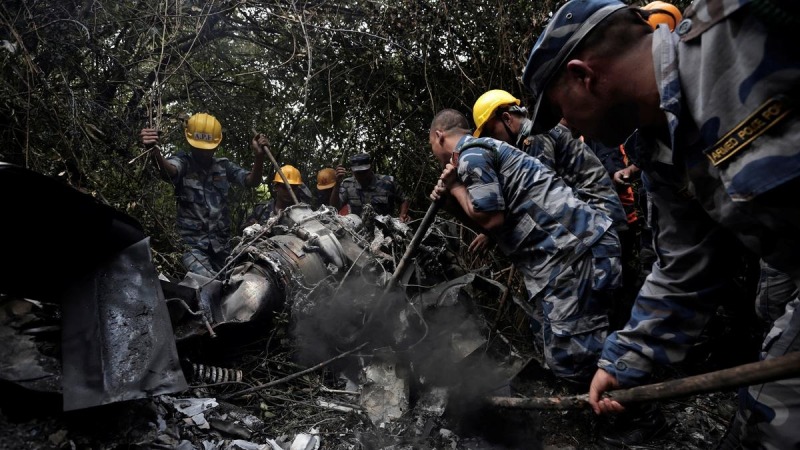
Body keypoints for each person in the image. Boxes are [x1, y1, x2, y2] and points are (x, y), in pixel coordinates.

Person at [522, 0, 800, 447]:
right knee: (764, 424)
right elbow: (687, 266)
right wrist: (622, 362)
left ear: (582, 76)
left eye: (559, 111)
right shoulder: (661, 157)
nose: (567, 126)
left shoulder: (742, 22)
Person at [428, 108, 621, 385]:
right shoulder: (482, 152)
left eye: (432, 146)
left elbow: (492, 219)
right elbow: (486, 219)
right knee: (564, 350)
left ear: (439, 136)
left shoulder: (471, 156)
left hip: (573, 252)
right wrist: (449, 198)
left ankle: (638, 420)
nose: (434, 153)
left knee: (576, 360)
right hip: (569, 254)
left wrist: (456, 187)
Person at [472, 90, 626, 232]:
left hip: (601, 217)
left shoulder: (534, 136)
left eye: (492, 132)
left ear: (507, 118)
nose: (492, 140)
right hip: (595, 217)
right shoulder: (528, 139)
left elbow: (539, 194)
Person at [140, 113, 266, 278]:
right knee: (209, 281)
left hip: (222, 247)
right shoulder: (184, 162)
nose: (205, 154)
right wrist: (155, 153)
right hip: (192, 247)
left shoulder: (223, 166)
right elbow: (169, 171)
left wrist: (259, 157)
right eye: (199, 148)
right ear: (190, 142)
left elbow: (251, 181)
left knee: (240, 279)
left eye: (209, 149)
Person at [332, 152, 410, 222]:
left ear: (370, 168)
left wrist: (403, 215)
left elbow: (404, 199)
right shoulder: (347, 184)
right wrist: (337, 184)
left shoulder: (387, 182)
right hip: (358, 232)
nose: (362, 176)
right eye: (358, 173)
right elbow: (334, 208)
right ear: (352, 171)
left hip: (385, 229)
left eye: (364, 172)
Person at [244, 165, 309, 226]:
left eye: (293, 188)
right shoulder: (261, 210)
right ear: (276, 187)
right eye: (284, 187)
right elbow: (243, 231)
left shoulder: (304, 213)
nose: (289, 191)